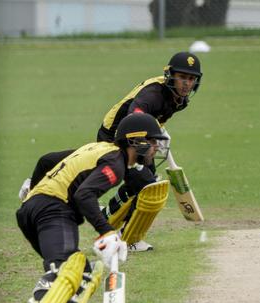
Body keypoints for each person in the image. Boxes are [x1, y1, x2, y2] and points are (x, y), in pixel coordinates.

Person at [10, 113, 167, 303]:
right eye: (153, 142)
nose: (156, 147)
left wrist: (33, 188)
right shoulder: (115, 163)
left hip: (31, 209)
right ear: (137, 141)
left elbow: (46, 159)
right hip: (53, 208)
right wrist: (107, 232)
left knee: (85, 271)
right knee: (66, 265)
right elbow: (84, 195)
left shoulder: (97, 149)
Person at [19, 51, 203, 252]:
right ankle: (124, 235)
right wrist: (154, 135)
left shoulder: (180, 100)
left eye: (191, 79)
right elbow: (135, 116)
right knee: (144, 182)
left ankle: (120, 225)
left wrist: (157, 132)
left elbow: (154, 117)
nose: (187, 83)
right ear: (171, 75)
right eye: (182, 77)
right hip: (116, 134)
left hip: (141, 135)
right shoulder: (153, 94)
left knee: (147, 182)